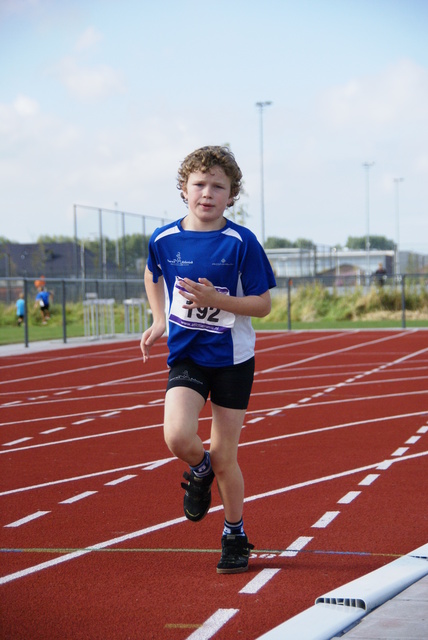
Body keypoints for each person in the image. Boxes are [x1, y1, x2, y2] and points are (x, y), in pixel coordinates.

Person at [140, 146, 276, 574]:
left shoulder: (241, 242)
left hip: (233, 359)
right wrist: (159, 318)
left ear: (232, 195)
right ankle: (198, 473)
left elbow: (263, 305)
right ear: (184, 189)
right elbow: (151, 272)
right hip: (188, 355)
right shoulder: (164, 238)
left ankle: (234, 534)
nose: (207, 193)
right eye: (199, 184)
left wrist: (218, 300)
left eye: (219, 186)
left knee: (225, 456)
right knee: (178, 436)